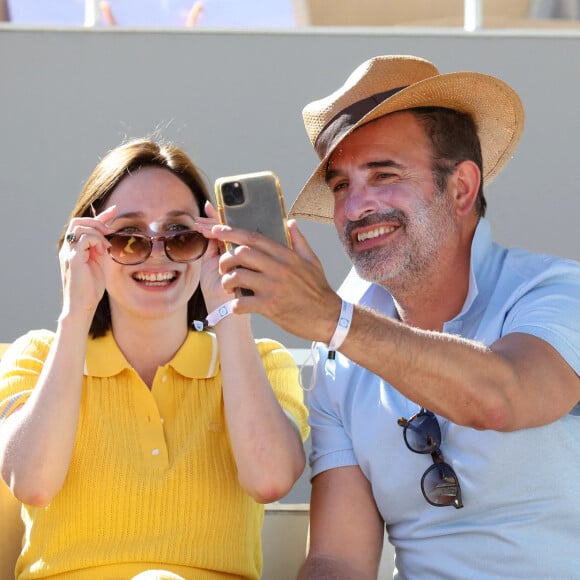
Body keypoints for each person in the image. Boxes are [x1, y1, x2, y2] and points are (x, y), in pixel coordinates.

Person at [198, 55, 580, 578]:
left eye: (383, 174)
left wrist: (335, 320)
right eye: (340, 186)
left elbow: (502, 397)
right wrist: (335, 325)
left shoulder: (556, 293)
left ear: (462, 188)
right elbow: (338, 558)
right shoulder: (337, 347)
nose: (355, 208)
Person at [0, 137, 309, 579]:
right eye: (128, 238)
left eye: (180, 236)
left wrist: (227, 306)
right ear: (89, 246)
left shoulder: (261, 362)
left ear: (208, 243)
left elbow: (270, 480)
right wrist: (76, 312)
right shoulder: (38, 356)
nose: (157, 254)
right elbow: (32, 482)